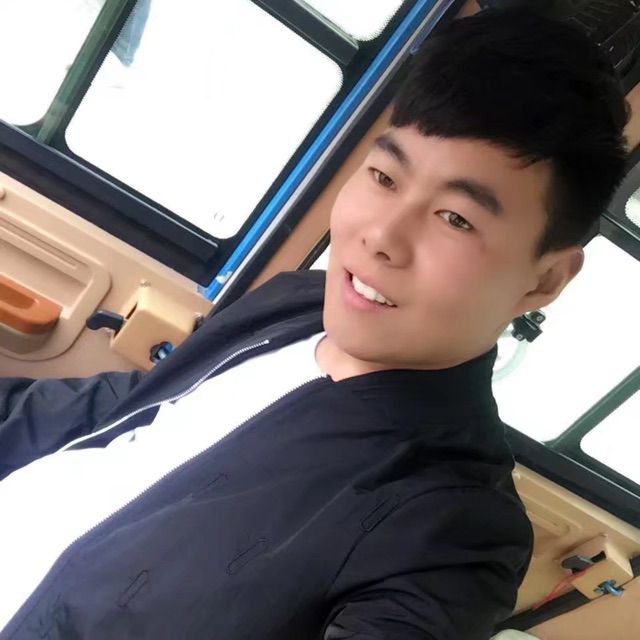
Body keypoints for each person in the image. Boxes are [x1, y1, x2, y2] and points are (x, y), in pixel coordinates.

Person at [0, 7, 628, 640]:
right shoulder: (298, 304)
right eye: (384, 176)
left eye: (456, 218)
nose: (380, 235)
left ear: (544, 280)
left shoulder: (453, 532)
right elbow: (133, 414)